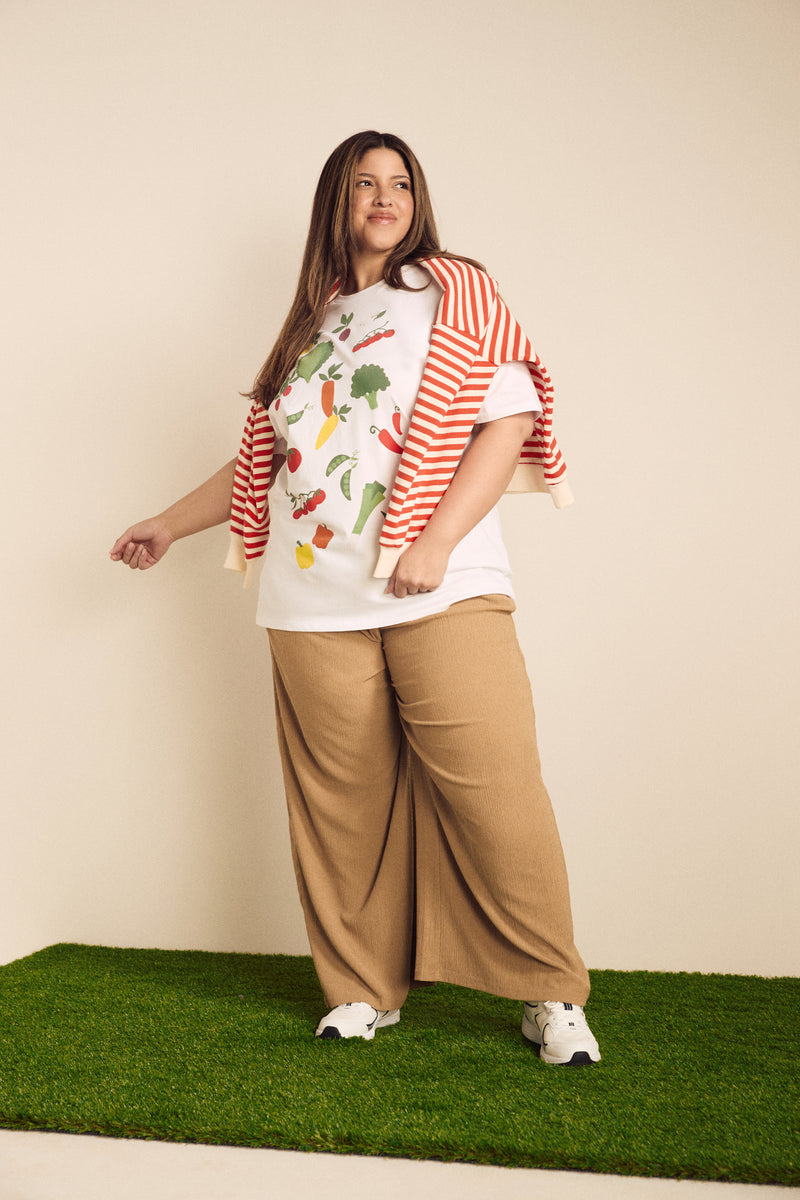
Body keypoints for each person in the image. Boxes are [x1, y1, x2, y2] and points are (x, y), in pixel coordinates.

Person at [110, 130, 600, 1066]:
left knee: (497, 790)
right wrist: (169, 524)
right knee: (343, 809)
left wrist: (435, 541)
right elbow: (266, 463)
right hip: (310, 604)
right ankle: (361, 991)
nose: (385, 197)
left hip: (442, 584)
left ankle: (550, 993)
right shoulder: (312, 321)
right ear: (336, 200)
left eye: (400, 183)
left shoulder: (455, 289)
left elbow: (508, 418)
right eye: (366, 183)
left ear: (418, 201)